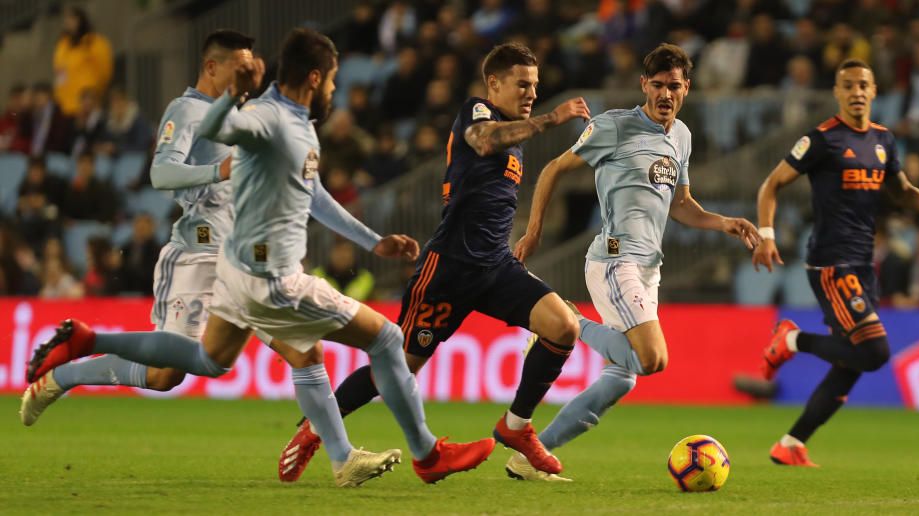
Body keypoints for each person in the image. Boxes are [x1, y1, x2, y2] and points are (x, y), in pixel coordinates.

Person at [21, 28, 494, 487]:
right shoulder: (208, 112)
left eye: (253, 62)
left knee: (251, 356)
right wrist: (217, 165)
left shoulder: (282, 119)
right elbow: (163, 171)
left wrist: (373, 241)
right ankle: (417, 453)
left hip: (237, 260)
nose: (248, 69)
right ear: (215, 66)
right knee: (380, 339)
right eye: (239, 63)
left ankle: (341, 456)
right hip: (208, 254)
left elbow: (312, 191)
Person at [279, 42, 591, 482]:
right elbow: (482, 142)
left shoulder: (516, 132)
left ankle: (516, 426)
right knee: (398, 368)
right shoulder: (478, 113)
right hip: (449, 269)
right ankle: (313, 430)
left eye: (535, 87)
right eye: (522, 85)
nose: (531, 94)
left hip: (496, 266)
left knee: (563, 327)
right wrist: (551, 120)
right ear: (494, 84)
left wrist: (533, 229)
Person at [509, 43, 759, 481]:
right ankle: (568, 318)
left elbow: (682, 204)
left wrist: (724, 223)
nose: (666, 94)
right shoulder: (614, 127)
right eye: (658, 85)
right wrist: (533, 231)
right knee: (652, 359)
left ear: (687, 88)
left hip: (649, 269)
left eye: (675, 86)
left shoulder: (681, 136)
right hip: (613, 259)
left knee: (623, 377)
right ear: (644, 85)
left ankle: (532, 455)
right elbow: (552, 169)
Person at [750, 59, 919, 467]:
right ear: (837, 93)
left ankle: (791, 443)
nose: (856, 92)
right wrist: (765, 235)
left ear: (874, 92)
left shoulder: (884, 141)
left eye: (863, 85)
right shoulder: (821, 139)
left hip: (862, 263)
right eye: (848, 85)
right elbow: (771, 184)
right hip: (831, 263)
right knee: (874, 352)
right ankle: (790, 340)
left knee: (849, 364)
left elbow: (903, 194)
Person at [53, 5, 113, 117]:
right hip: (66, 105)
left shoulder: (94, 42)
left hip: (87, 103)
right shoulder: (63, 44)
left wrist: (96, 93)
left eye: (72, 19)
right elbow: (59, 72)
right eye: (67, 19)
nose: (68, 23)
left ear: (81, 20)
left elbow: (104, 72)